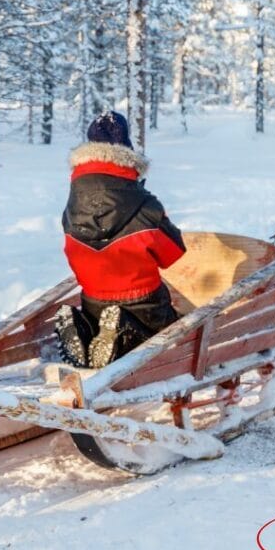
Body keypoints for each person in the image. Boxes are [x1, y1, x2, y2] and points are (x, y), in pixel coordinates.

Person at [56, 111, 186, 369]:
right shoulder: (145, 206)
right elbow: (173, 254)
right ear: (127, 152)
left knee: (100, 314)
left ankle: (88, 331)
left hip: (92, 301)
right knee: (170, 331)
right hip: (146, 305)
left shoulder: (72, 208)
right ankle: (122, 331)